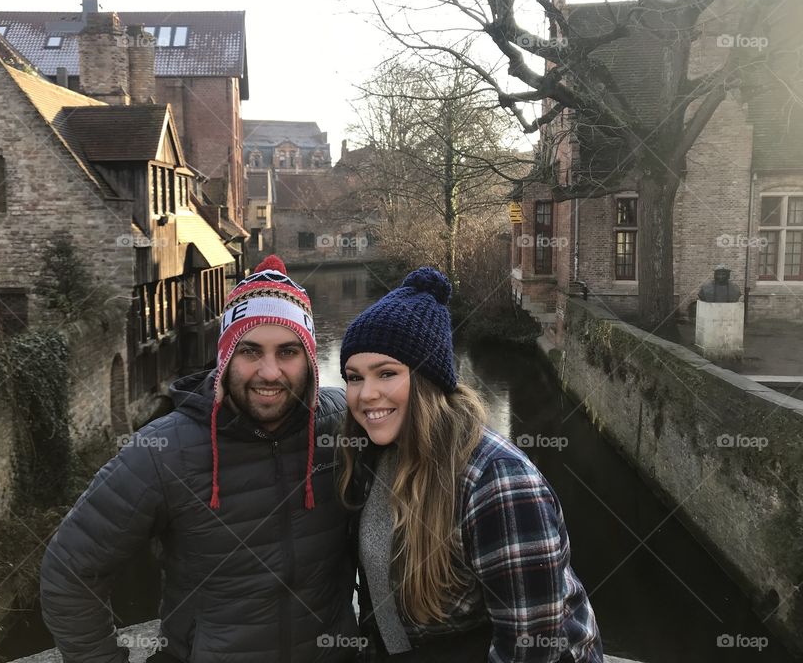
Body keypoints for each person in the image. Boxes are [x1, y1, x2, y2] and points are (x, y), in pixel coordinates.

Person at [40, 255, 358, 663]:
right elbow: (70, 571)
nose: (270, 372)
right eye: (250, 351)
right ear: (225, 358)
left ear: (310, 360)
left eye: (288, 352)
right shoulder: (162, 451)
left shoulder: (340, 423)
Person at [337, 267, 603, 662]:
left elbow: (531, 649)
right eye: (354, 378)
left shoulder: (498, 482)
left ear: (428, 379)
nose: (366, 394)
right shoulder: (376, 451)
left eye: (387, 373)